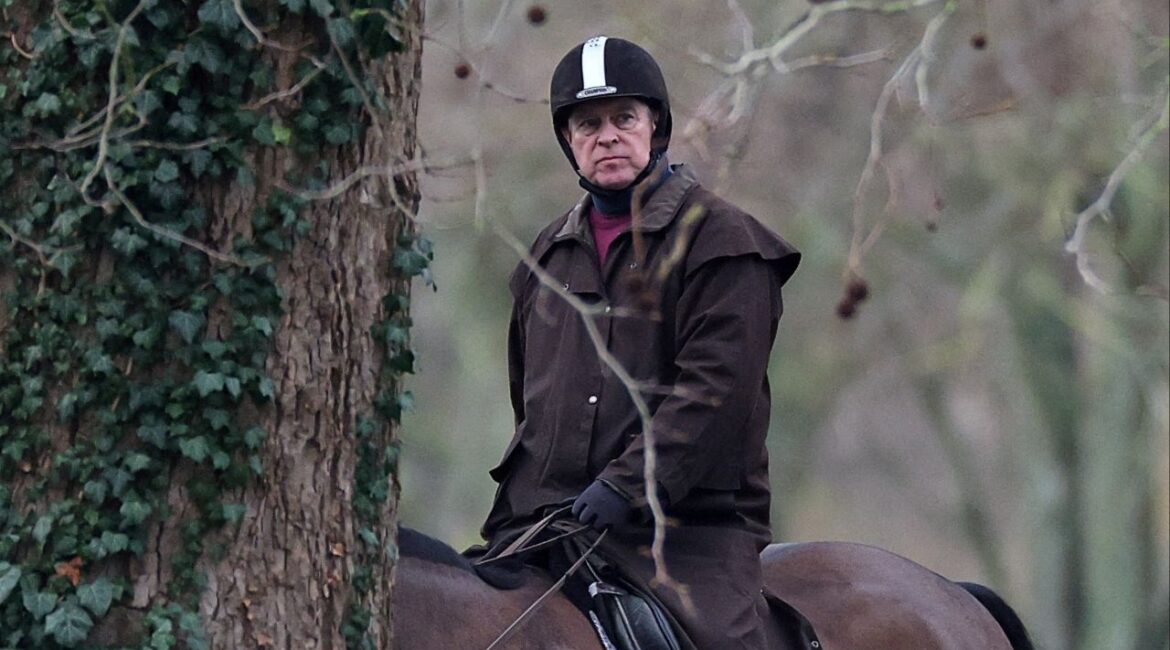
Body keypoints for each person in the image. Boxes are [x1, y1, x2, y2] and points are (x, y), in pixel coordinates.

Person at [478, 35, 800, 650]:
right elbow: (531, 403)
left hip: (686, 532)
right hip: (549, 525)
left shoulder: (724, 242)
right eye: (587, 124)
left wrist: (628, 485)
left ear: (656, 126)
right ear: (568, 141)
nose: (607, 136)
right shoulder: (542, 260)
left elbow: (716, 392)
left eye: (624, 118)